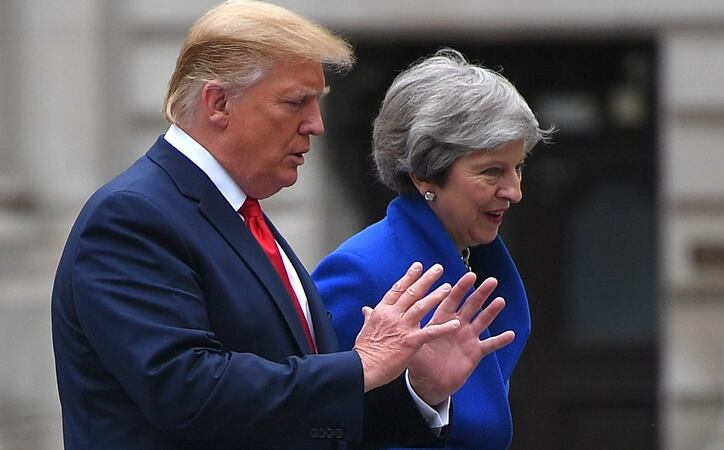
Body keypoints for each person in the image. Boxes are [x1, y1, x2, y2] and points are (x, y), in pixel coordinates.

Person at [50, 3, 515, 449]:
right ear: (218, 103)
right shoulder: (133, 216)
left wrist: (420, 391)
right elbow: (184, 391)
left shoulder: (238, 216)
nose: (316, 125)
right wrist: (359, 367)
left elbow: (304, 417)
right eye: (296, 103)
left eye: (318, 103)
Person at [312, 48, 552, 449]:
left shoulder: (475, 254)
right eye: (492, 171)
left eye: (519, 167)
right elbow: (323, 424)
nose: (515, 191)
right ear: (424, 174)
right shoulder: (361, 270)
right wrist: (422, 396)